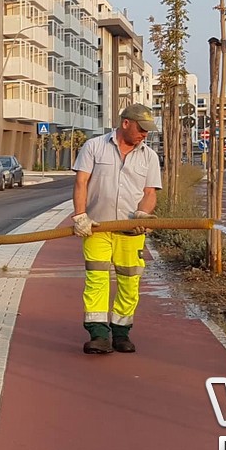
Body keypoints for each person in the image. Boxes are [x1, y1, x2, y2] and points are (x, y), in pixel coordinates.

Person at [70, 103, 162, 355]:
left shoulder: (149, 156)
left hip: (131, 233)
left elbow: (150, 192)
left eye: (148, 131)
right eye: (142, 129)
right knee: (97, 279)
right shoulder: (94, 147)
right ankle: (98, 334)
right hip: (96, 229)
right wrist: (80, 216)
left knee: (130, 282)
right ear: (125, 124)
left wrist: (143, 213)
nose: (145, 134)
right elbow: (81, 182)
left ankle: (121, 333)